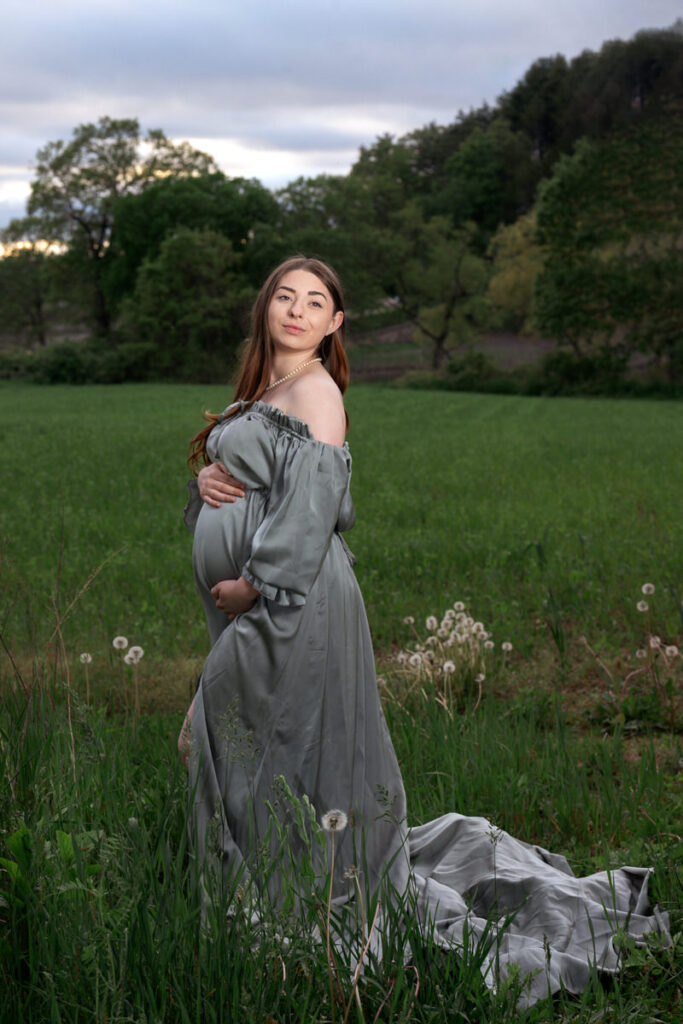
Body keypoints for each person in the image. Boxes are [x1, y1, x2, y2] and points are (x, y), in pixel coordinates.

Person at [182, 256, 668, 1008]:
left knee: (215, 735)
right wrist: (206, 480)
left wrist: (255, 584)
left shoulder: (316, 391)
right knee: (267, 749)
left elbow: (313, 507)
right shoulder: (264, 391)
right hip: (265, 601)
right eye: (285, 296)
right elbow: (256, 478)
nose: (297, 310)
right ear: (264, 309)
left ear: (335, 323)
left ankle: (281, 900)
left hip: (290, 601)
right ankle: (278, 885)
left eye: (315, 301)